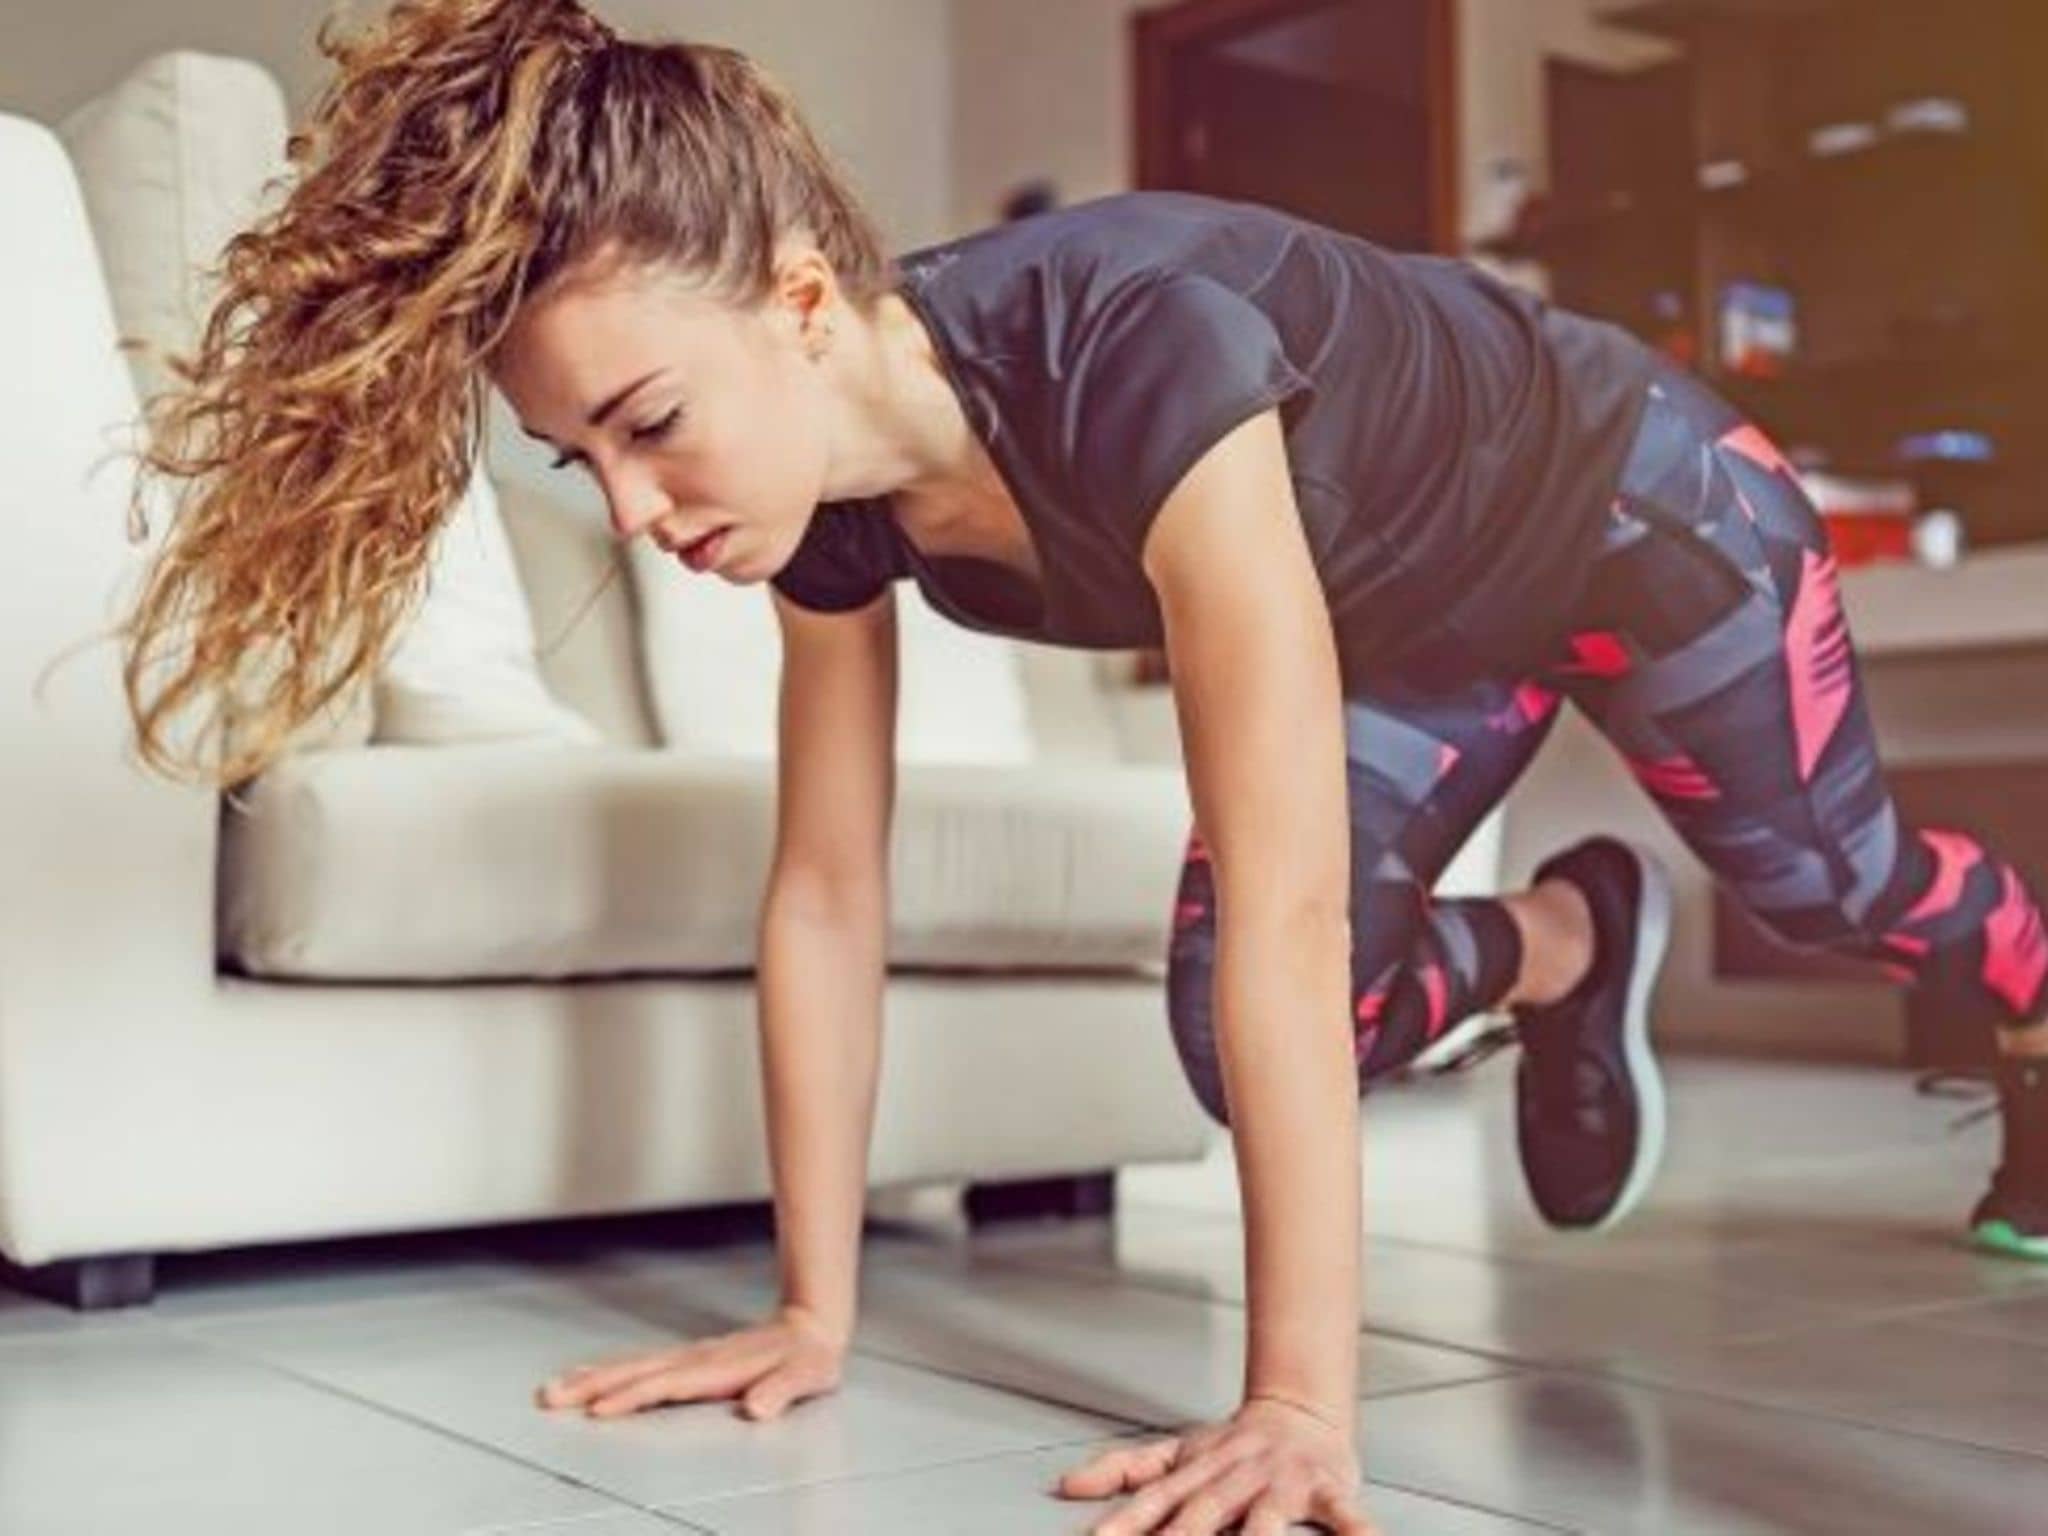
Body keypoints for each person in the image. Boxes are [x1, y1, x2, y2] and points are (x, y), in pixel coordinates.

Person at [114, 1, 2048, 1532]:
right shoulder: (830, 512)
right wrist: (817, 1310)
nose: (630, 509)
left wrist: (1297, 1401)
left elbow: (1289, 883)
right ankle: (1562, 945)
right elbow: (823, 890)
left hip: (1646, 515)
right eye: (579, 462)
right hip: (1429, 620)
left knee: (1832, 899)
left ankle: (2032, 995)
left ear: (798, 300)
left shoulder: (1135, 350)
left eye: (648, 424)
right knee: (1229, 1021)